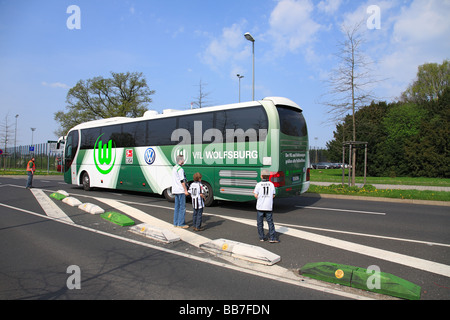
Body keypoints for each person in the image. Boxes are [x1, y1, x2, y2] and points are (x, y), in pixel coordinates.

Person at [253, 170, 278, 243]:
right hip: (268, 206)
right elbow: (273, 195)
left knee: (260, 222)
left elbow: (255, 195)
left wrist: (259, 197)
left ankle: (262, 237)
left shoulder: (258, 184)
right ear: (269, 176)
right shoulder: (271, 184)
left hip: (260, 206)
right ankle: (272, 237)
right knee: (270, 222)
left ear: (261, 176)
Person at [172, 155, 189, 228]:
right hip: (180, 190)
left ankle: (175, 223)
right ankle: (181, 223)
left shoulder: (174, 168)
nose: (184, 161)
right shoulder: (180, 169)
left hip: (175, 190)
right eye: (183, 159)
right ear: (180, 160)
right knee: (182, 207)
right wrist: (185, 190)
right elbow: (182, 181)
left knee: (177, 207)